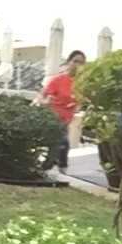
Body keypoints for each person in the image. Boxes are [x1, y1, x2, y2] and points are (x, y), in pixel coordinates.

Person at [41, 48, 87, 176]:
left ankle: (48, 168)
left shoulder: (81, 84)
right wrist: (46, 102)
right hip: (53, 116)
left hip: (66, 119)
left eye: (81, 63)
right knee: (63, 143)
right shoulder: (59, 79)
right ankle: (61, 168)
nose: (78, 65)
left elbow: (81, 101)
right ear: (68, 62)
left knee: (57, 145)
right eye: (75, 61)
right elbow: (43, 96)